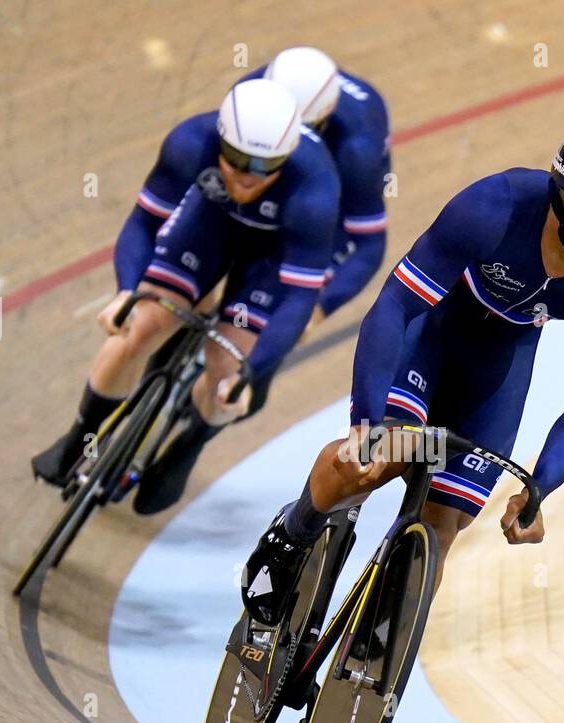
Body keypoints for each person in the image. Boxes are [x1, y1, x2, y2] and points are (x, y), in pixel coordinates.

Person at [239, 123, 564, 625]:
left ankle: (372, 658)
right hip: (432, 335)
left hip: (498, 367)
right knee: (383, 458)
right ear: (560, 199)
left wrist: (540, 488)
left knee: (444, 522)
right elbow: (396, 305)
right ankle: (292, 533)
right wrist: (366, 420)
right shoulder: (494, 208)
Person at [30, 78, 341, 515]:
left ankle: (190, 441)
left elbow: (299, 297)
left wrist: (250, 372)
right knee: (139, 326)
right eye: (236, 160)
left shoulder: (315, 190)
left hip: (269, 261)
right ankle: (81, 436)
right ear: (220, 139)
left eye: (264, 166)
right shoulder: (190, 142)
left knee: (225, 375)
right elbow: (143, 223)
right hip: (210, 226)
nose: (247, 175)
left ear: (286, 158)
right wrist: (126, 292)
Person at [242, 47, 392, 330]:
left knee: (272, 320)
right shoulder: (249, 95)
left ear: (323, 117)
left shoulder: (357, 151)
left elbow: (369, 245)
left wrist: (319, 308)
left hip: (338, 197)